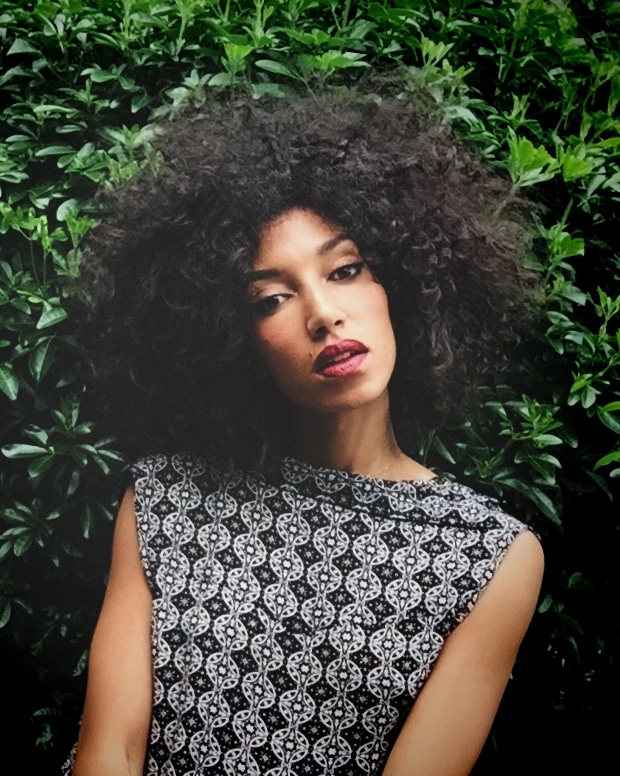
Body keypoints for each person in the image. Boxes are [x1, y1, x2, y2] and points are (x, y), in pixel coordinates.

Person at [63, 91, 544, 776]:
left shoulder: (490, 557)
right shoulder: (165, 500)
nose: (323, 315)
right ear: (235, 341)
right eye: (271, 299)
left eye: (346, 270)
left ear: (403, 285)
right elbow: (110, 752)